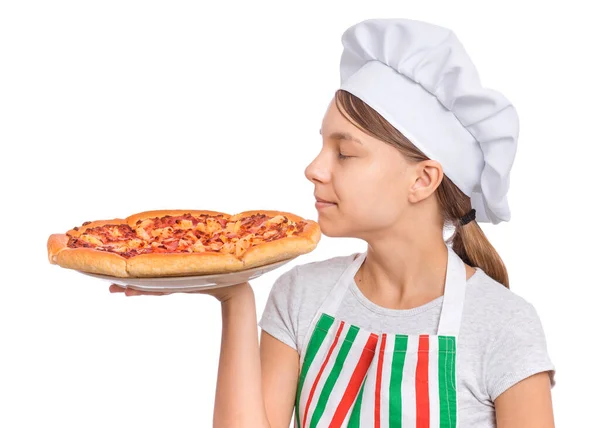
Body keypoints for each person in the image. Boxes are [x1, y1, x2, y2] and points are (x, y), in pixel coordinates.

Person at [110, 18, 556, 428]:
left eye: (344, 153)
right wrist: (234, 294)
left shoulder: (503, 325)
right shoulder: (301, 295)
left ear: (422, 179)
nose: (314, 168)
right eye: (323, 147)